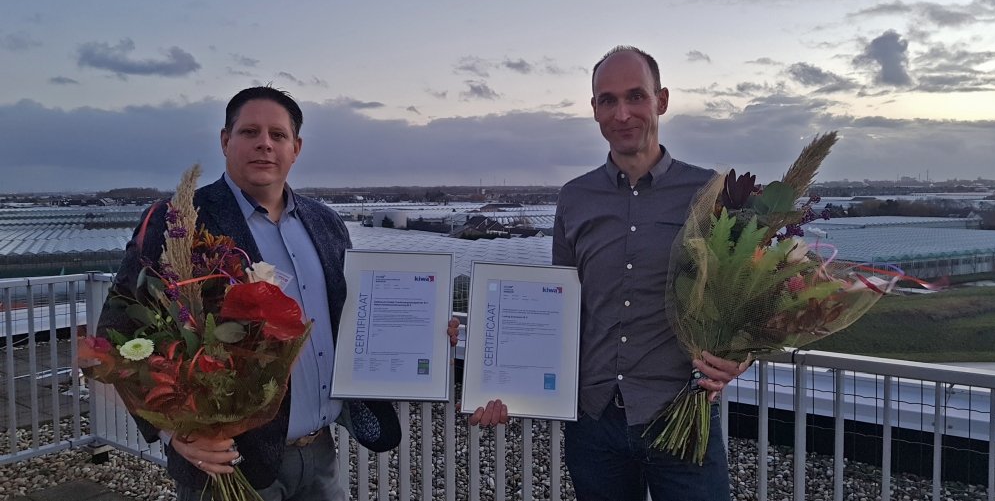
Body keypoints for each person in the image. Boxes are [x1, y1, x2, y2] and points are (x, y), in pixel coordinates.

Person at [99, 86, 459, 501]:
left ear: (296, 148)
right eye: (249, 132)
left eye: (278, 134)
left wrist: (426, 332)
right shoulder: (179, 223)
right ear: (225, 141)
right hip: (229, 463)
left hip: (320, 455)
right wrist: (173, 433)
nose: (264, 144)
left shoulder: (325, 223)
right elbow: (117, 331)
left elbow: (353, 319)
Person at [469, 46, 749, 500]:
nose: (622, 114)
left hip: (682, 415)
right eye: (608, 100)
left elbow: (743, 295)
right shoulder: (574, 198)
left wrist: (741, 356)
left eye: (636, 96)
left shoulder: (709, 193)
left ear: (661, 100)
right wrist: (498, 380)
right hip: (594, 424)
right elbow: (556, 310)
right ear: (594, 109)